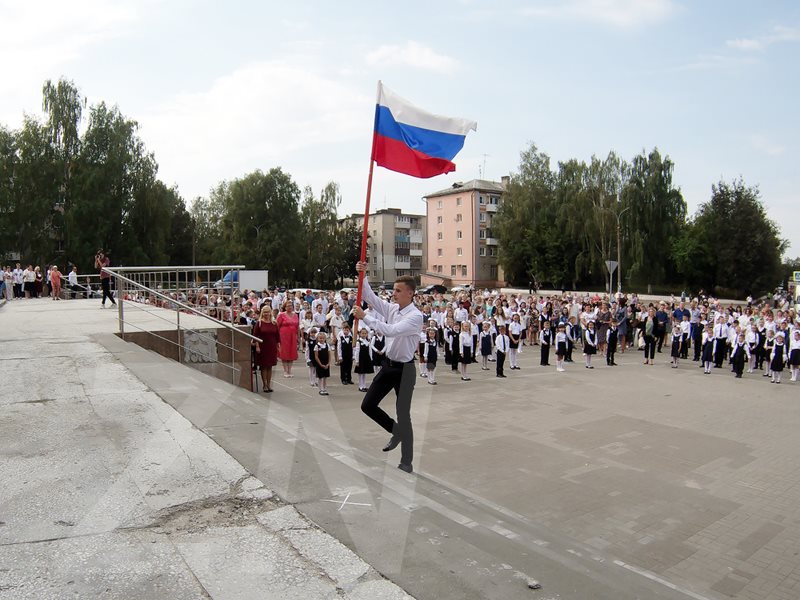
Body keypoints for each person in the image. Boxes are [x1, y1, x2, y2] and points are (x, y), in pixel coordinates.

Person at [352, 261, 424, 475]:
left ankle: (406, 461)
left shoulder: (415, 316)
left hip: (405, 371)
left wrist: (365, 317)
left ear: (410, 293)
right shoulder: (392, 308)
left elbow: (391, 331)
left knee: (404, 414)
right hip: (388, 366)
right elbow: (369, 297)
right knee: (368, 405)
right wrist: (362, 274)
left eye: (398, 291)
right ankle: (396, 431)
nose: (394, 294)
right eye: (393, 290)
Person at [252, 307, 280, 393]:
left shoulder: (274, 323)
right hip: (262, 346)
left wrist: (278, 346)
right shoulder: (259, 323)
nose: (266, 314)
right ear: (262, 313)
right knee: (264, 366)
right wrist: (257, 346)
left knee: (270, 366)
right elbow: (255, 336)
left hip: (271, 346)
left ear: (270, 313)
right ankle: (264, 385)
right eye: (264, 312)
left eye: (268, 312)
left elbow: (277, 336)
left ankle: (269, 384)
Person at [276, 300, 300, 377]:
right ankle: (285, 371)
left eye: (291, 305)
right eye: (288, 306)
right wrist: (277, 338)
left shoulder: (295, 315)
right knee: (284, 352)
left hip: (293, 336)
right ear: (285, 307)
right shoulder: (281, 315)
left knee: (292, 352)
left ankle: (289, 370)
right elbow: (277, 326)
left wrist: (298, 337)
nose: (290, 307)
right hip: (283, 336)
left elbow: (297, 327)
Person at [312, 331, 331, 395]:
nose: (321, 339)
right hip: (320, 364)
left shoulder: (327, 345)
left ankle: (324, 388)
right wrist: (320, 364)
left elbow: (329, 355)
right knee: (320, 377)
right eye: (320, 338)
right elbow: (316, 357)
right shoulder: (317, 346)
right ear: (317, 338)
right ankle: (320, 389)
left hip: (326, 364)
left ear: (325, 339)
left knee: (325, 377)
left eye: (323, 338)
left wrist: (328, 363)